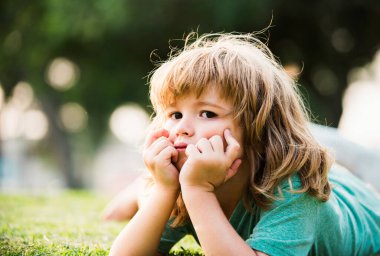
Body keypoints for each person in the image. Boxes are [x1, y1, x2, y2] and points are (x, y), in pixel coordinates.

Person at [109, 32, 380, 255]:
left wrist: (199, 192)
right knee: (127, 204)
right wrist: (164, 190)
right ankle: (138, 191)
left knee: (315, 153)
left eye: (207, 113)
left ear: (258, 128)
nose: (182, 129)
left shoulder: (294, 189)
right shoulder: (187, 176)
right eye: (175, 114)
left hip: (362, 202)